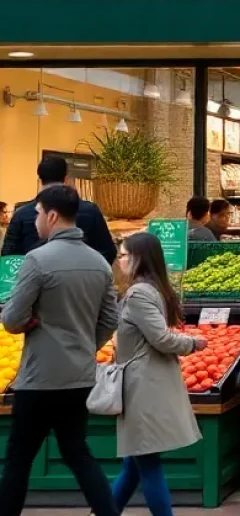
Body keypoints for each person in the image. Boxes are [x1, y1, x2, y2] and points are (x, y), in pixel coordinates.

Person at [0, 185, 120, 516]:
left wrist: (27, 322)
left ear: (52, 216)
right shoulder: (98, 262)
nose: (36, 219)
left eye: (38, 213)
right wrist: (86, 344)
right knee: (78, 452)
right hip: (79, 376)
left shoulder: (37, 260)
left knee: (19, 458)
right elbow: (111, 316)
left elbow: (11, 319)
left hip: (38, 378)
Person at [111, 232, 206, 516]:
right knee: (134, 462)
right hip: (146, 382)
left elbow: (161, 338)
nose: (120, 260)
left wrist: (193, 343)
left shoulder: (139, 292)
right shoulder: (151, 289)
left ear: (139, 258)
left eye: (124, 255)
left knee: (146, 462)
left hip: (143, 387)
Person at [2, 155, 116, 262]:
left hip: (33, 279)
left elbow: (8, 256)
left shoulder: (22, 213)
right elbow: (108, 252)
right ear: (66, 179)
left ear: (40, 180)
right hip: (80, 280)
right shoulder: (90, 211)